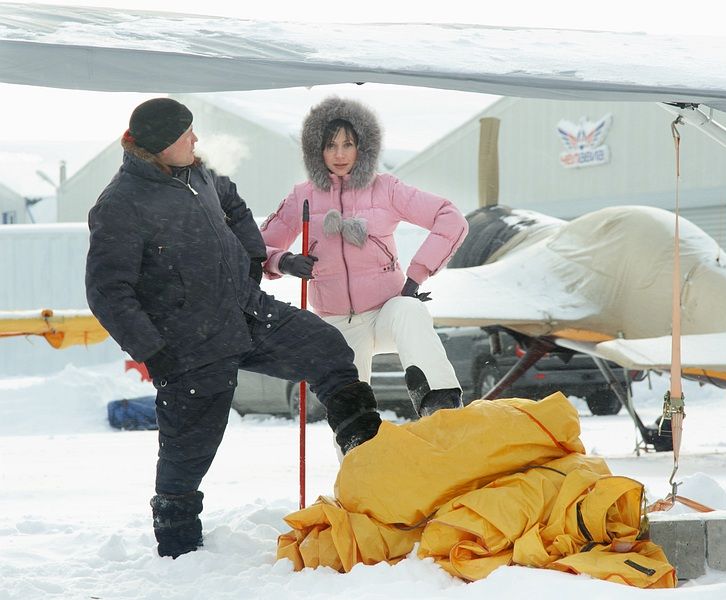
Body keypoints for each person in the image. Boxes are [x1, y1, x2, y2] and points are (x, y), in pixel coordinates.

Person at [85, 98, 382, 560]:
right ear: (161, 144)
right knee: (188, 452)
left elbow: (233, 202)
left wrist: (252, 258)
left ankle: (367, 452)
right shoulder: (121, 204)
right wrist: (154, 351)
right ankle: (179, 552)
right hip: (190, 344)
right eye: (186, 134)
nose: (195, 139)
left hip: (249, 313)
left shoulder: (198, 175)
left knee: (327, 347)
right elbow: (107, 290)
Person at [259, 96, 468, 417]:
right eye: (330, 145)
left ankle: (440, 404)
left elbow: (450, 218)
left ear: (363, 146)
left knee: (410, 309)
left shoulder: (386, 188)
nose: (340, 154)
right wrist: (284, 261)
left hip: (386, 313)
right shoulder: (303, 196)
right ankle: (356, 443)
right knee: (352, 418)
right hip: (337, 324)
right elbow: (257, 248)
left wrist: (415, 277)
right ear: (317, 150)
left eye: (348, 144)